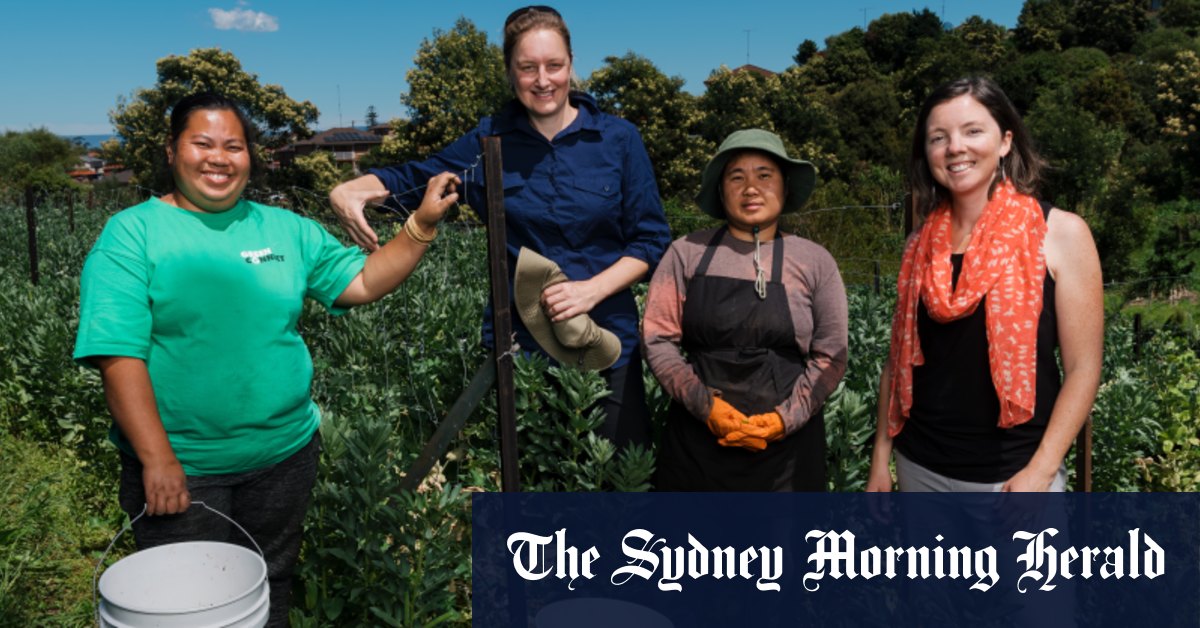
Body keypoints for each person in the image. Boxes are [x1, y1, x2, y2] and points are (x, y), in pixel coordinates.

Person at [74, 92, 461, 626]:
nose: (218, 158)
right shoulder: (132, 233)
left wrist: (420, 225)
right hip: (185, 468)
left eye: (233, 146)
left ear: (249, 157)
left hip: (284, 455)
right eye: (202, 143)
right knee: (188, 605)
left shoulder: (285, 230)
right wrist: (157, 460)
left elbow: (362, 279)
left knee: (268, 584)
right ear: (172, 150)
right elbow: (118, 355)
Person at [329, 5, 670, 449]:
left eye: (554, 65)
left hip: (606, 341)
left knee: (619, 484)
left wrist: (590, 290)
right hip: (524, 351)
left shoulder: (618, 140)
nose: (543, 80)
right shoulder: (488, 143)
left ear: (571, 65)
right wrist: (352, 189)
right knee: (535, 491)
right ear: (511, 73)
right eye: (528, 68)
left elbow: (651, 240)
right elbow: (417, 178)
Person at [866, 76, 1103, 493]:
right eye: (938, 137)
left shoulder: (1060, 234)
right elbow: (896, 360)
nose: (955, 147)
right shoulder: (918, 246)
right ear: (927, 153)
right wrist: (881, 462)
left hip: (1015, 476)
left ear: (1005, 142)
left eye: (973, 131)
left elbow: (1083, 369)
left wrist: (1043, 470)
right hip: (920, 468)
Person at [642, 129, 848, 491]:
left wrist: (784, 420)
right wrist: (706, 407)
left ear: (785, 187)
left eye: (764, 175)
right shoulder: (686, 252)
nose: (751, 188)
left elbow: (832, 354)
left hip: (788, 453)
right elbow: (657, 340)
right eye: (737, 177)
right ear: (721, 192)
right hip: (697, 445)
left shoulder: (815, 261)